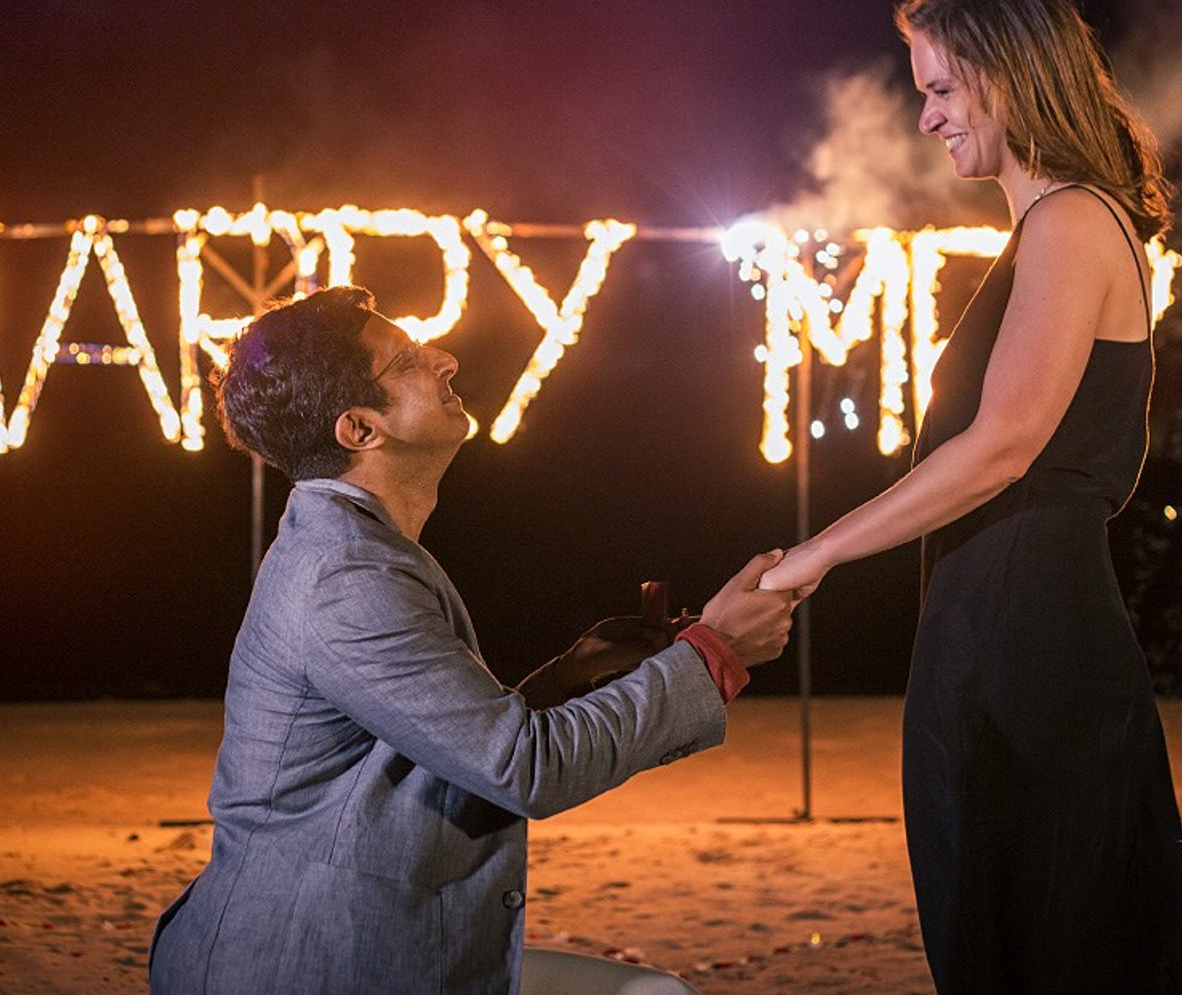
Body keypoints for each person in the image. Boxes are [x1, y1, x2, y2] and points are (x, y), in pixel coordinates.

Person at [148, 284, 796, 995]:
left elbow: (443, 742)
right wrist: (712, 656)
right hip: (306, 961)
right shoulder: (348, 574)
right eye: (407, 363)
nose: (446, 360)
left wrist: (572, 678)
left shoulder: (353, 546)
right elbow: (525, 769)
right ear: (360, 430)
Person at [758, 0, 1182, 993]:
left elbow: (1002, 444)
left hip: (1029, 628)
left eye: (940, 89)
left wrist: (811, 555)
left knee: (1051, 933)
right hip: (1002, 616)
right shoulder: (1057, 226)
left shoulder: (1068, 223)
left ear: (1007, 77)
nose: (925, 119)